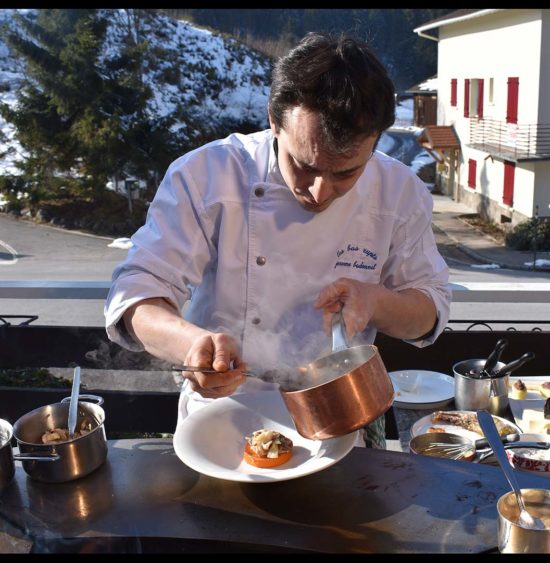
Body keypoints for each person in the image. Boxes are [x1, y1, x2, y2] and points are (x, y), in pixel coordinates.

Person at [104, 31, 451, 449]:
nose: (320, 193)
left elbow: (430, 311)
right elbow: (136, 292)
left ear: (376, 142)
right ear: (273, 118)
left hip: (338, 419)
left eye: (345, 173)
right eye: (305, 166)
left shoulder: (400, 191)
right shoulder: (206, 174)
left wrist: (377, 301)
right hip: (220, 416)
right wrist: (191, 344)